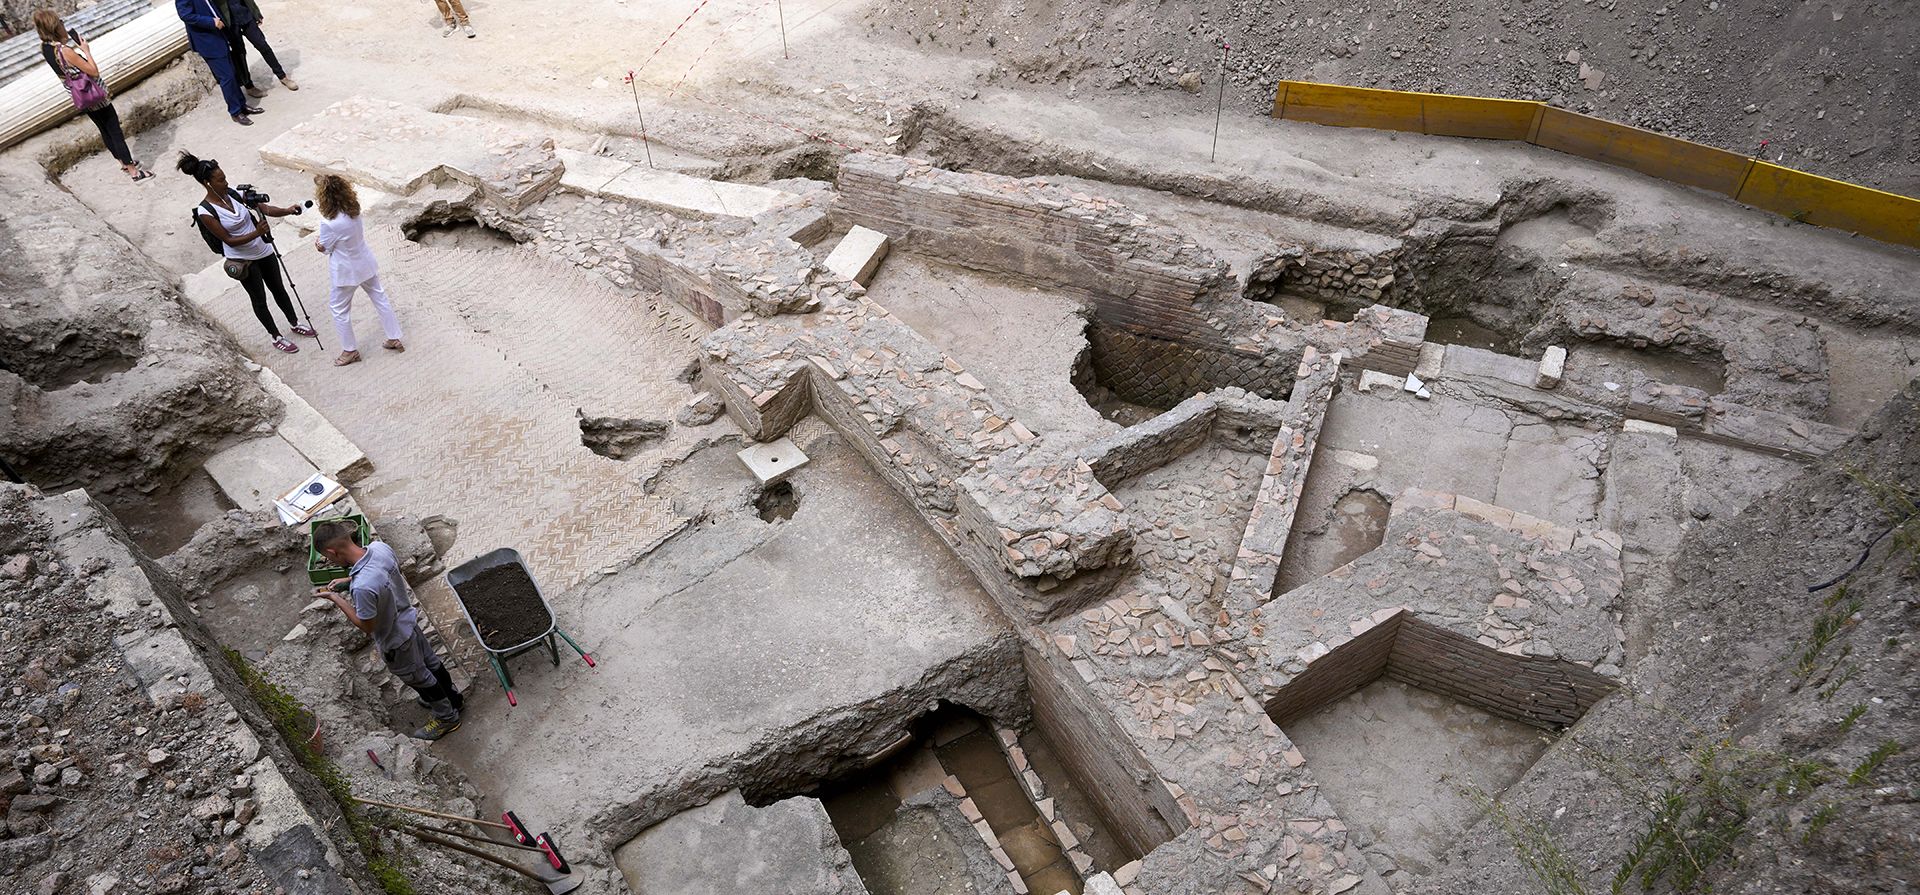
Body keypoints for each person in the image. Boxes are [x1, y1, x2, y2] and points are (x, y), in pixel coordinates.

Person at [311, 521, 465, 741]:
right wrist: (349, 580)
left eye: (329, 558)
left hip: (396, 641)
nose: (330, 561)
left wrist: (336, 598)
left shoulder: (362, 588)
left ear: (332, 551)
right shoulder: (379, 548)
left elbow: (367, 626)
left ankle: (447, 717)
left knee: (420, 679)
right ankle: (453, 699)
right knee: (431, 663)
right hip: (409, 622)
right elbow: (384, 574)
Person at [177, 151, 316, 353]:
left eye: (225, 177)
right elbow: (228, 240)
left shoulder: (233, 193)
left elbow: (265, 209)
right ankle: (276, 336)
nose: (226, 182)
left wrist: (288, 210)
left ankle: (295, 323)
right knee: (259, 299)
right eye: (220, 180)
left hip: (264, 251)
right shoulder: (205, 211)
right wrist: (256, 233)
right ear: (208, 183)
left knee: (279, 289)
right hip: (243, 260)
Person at [34, 10, 150, 181]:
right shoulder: (65, 51)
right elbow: (93, 72)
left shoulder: (45, 48)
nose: (63, 25)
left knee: (104, 130)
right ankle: (135, 172)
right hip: (94, 94)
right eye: (61, 22)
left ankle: (123, 163)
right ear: (55, 27)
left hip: (80, 96)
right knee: (114, 131)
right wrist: (86, 51)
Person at [313, 174, 405, 366]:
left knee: (339, 309)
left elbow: (326, 248)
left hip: (346, 272)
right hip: (365, 263)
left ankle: (349, 350)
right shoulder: (354, 210)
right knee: (380, 297)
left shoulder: (329, 223)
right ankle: (394, 336)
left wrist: (319, 246)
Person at [173, 0, 261, 125]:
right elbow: (186, 15)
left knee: (232, 73)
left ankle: (242, 106)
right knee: (227, 77)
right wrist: (211, 22)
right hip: (207, 40)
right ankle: (235, 112)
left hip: (219, 35)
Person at [216, 0, 296, 98]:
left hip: (246, 16)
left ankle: (282, 76)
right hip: (229, 23)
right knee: (239, 54)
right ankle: (249, 87)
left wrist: (256, 12)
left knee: (263, 46)